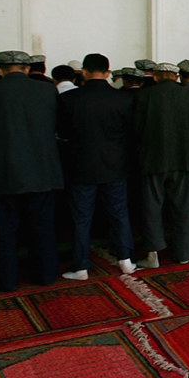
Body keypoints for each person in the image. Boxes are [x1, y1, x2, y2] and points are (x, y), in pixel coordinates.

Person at [0, 50, 62, 291]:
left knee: (3, 231)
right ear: (26, 68)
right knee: (42, 228)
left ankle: (6, 281)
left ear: (1, 69)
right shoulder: (47, 90)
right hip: (41, 170)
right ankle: (45, 275)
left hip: (0, 171)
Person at [56, 52, 136, 279]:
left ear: (83, 72)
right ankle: (126, 260)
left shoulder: (69, 99)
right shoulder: (123, 98)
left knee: (81, 218)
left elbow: (62, 134)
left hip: (81, 166)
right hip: (115, 165)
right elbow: (130, 134)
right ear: (109, 72)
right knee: (119, 214)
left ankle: (80, 266)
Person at [132, 61, 189, 267]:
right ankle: (184, 253)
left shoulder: (144, 95)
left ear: (155, 76)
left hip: (153, 160)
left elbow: (136, 129)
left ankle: (153, 254)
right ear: (176, 77)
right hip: (184, 159)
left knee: (152, 207)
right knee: (183, 208)